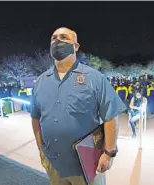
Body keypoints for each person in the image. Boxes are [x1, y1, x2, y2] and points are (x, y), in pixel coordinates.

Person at [30, 27, 127, 185]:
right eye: (54, 38)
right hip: (55, 164)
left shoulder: (95, 78)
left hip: (87, 165)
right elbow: (35, 117)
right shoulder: (40, 81)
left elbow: (111, 116)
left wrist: (109, 153)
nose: (57, 41)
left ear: (76, 46)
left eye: (64, 37)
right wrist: (40, 148)